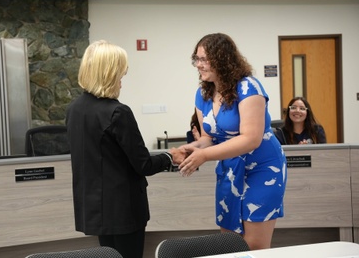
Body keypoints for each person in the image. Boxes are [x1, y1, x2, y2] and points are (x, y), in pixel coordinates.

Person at [65, 40, 184, 258]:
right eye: (121, 74)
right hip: (123, 210)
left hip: (96, 209)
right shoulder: (117, 112)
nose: (122, 81)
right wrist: (170, 156)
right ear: (109, 74)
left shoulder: (75, 109)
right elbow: (143, 164)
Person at [177, 33, 287, 250]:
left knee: (254, 246)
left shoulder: (248, 87)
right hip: (229, 169)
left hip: (262, 169)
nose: (198, 65)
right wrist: (191, 148)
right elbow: (209, 139)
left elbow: (251, 139)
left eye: (204, 59)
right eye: (196, 59)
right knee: (230, 243)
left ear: (223, 59)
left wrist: (205, 155)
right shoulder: (203, 93)